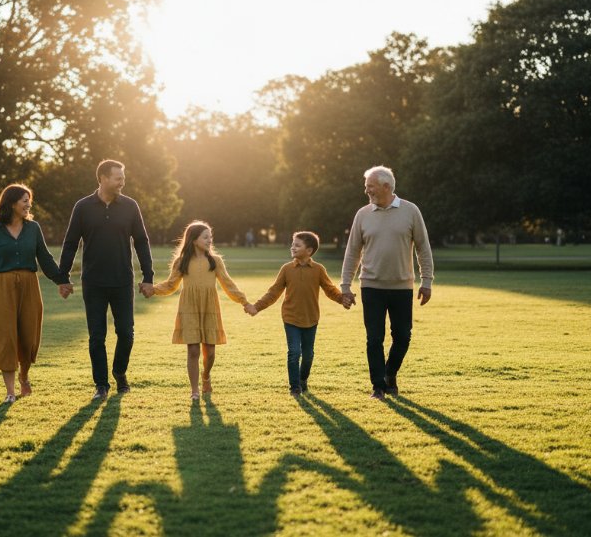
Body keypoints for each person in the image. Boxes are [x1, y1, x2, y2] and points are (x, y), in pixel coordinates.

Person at [58, 160, 155, 400]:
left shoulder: (130, 207)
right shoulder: (82, 207)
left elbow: (142, 242)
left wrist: (148, 277)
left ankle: (119, 372)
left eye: (123, 178)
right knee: (97, 336)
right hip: (93, 282)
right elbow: (70, 243)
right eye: (117, 178)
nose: (122, 182)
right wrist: (63, 277)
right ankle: (101, 385)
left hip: (123, 280)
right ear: (102, 178)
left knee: (126, 333)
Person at [340, 165, 434, 401]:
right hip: (371, 286)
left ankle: (390, 373)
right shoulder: (362, 214)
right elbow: (352, 252)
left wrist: (427, 280)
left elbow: (423, 247)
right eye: (366, 186)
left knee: (403, 336)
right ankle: (378, 386)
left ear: (386, 186)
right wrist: (345, 286)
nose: (366, 190)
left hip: (402, 286)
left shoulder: (411, 211)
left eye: (370, 186)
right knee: (374, 338)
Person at [0, 184, 67, 404]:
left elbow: (44, 257)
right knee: (5, 337)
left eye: (29, 200)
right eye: (24, 200)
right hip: (2, 286)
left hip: (29, 284)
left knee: (29, 334)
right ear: (11, 203)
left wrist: (62, 280)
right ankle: (10, 392)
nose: (28, 204)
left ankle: (24, 375)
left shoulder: (33, 228)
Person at [150, 221, 254, 401]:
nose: (209, 240)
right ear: (193, 239)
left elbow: (228, 284)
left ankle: (206, 376)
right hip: (188, 308)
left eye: (210, 237)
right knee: (193, 351)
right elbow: (170, 285)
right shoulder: (181, 261)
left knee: (210, 352)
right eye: (205, 237)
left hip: (209, 307)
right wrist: (153, 289)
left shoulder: (215, 261)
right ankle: (194, 390)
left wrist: (244, 302)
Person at [247, 231, 346, 397]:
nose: (293, 247)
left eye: (297, 245)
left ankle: (302, 379)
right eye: (293, 244)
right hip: (291, 318)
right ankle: (294, 387)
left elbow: (330, 289)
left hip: (311, 318)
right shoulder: (286, 269)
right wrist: (257, 307)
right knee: (294, 352)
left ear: (309, 250)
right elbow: (274, 292)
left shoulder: (318, 269)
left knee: (308, 354)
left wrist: (342, 299)